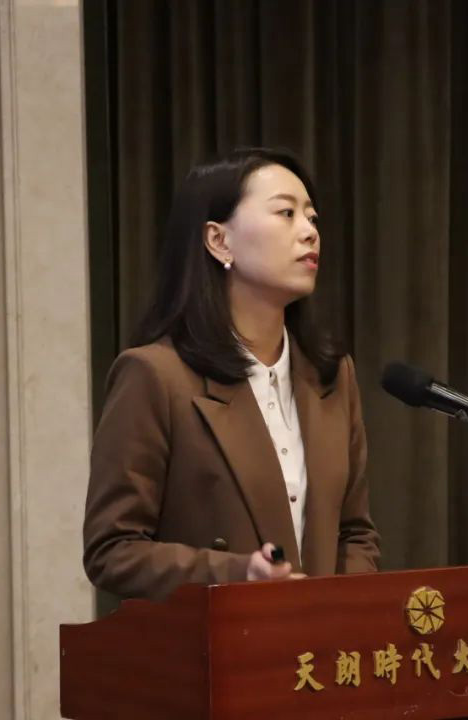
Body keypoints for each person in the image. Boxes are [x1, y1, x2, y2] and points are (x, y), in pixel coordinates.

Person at [82, 148, 380, 602]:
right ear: (219, 241)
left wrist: (342, 612)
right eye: (286, 213)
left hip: (321, 643)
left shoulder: (331, 375)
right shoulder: (155, 376)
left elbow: (356, 533)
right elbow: (112, 549)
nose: (309, 232)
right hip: (215, 638)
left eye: (312, 217)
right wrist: (238, 574)